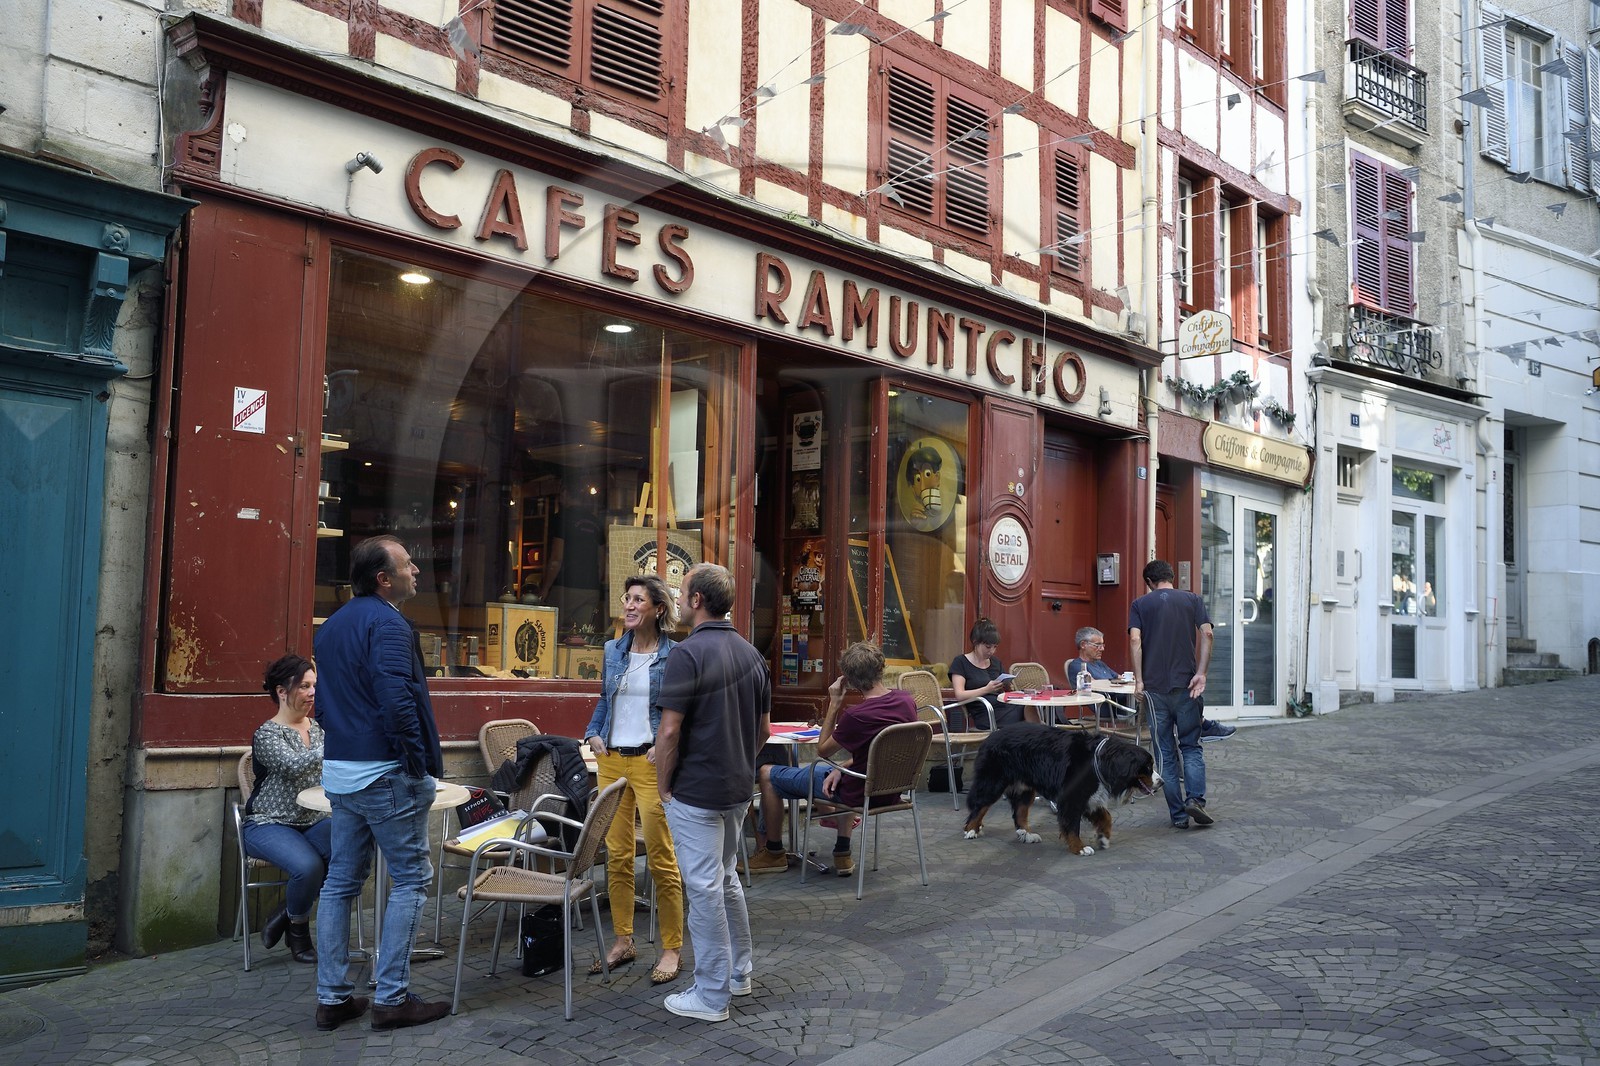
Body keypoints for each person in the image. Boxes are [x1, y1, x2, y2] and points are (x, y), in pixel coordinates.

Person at [311, 535, 448, 1032]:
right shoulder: (388, 622)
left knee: (340, 882)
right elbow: (397, 698)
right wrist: (414, 761)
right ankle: (391, 997)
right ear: (383, 578)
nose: (418, 572)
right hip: (385, 771)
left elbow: (320, 703)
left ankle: (333, 998)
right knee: (411, 880)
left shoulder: (331, 627)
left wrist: (346, 742)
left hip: (343, 771)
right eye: (409, 565)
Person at [655, 564, 771, 1023]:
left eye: (683, 593)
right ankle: (738, 974)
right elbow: (762, 731)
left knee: (705, 887)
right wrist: (737, 759)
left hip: (698, 790)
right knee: (725, 880)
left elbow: (668, 732)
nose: (680, 601)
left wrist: (665, 785)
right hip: (737, 787)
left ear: (698, 599)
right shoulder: (752, 655)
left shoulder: (687, 654)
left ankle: (711, 994)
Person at [582, 574, 685, 985]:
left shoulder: (674, 656)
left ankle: (672, 947)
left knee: (661, 854)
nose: (628, 605)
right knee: (618, 854)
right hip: (610, 760)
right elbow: (604, 702)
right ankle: (624, 940)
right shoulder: (612, 650)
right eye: (627, 598)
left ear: (657, 609)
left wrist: (662, 747)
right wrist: (592, 732)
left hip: (647, 763)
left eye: (638, 599)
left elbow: (681, 712)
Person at [748, 642, 917, 877]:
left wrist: (835, 703)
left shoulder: (857, 716)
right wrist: (844, 767)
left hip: (858, 793)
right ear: (881, 668)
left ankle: (773, 852)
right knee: (839, 772)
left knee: (767, 772)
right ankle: (842, 852)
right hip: (891, 790)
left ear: (849, 680)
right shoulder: (906, 701)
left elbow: (823, 750)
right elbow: (878, 754)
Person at [242, 654, 332, 964]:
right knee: (308, 867)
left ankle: (284, 913)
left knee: (358, 844)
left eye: (315, 686)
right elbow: (295, 767)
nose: (312, 693)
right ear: (282, 691)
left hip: (314, 819)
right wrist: (338, 743)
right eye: (305, 686)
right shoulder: (267, 734)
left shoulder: (319, 729)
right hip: (268, 824)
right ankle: (298, 931)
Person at [1129, 560, 1216, 830]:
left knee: (1164, 751)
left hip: (1155, 689)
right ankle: (1196, 800)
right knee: (1191, 746)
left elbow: (1135, 640)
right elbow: (1208, 634)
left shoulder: (1140, 604)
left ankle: (1178, 815)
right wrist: (1201, 672)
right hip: (1187, 684)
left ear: (1149, 582)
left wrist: (1139, 681)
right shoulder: (1192, 600)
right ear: (1171, 577)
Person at [1067, 627, 1235, 740]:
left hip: (1127, 702)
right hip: (1111, 706)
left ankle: (1196, 728)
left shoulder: (1100, 664)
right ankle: (1200, 728)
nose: (1102, 649)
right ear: (1084, 645)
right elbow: (1094, 686)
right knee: (1167, 703)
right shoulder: (1077, 666)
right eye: (1098, 645)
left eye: (1103, 645)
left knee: (1169, 703)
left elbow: (1118, 677)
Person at [539, 480, 603, 634]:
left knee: (550, 632)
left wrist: (545, 589)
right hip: (591, 589)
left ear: (566, 493)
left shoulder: (561, 518)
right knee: (581, 637)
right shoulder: (596, 522)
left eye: (561, 492)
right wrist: (596, 583)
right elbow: (602, 561)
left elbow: (556, 558)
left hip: (565, 587)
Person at [949, 618, 1025, 729]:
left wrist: (1008, 686)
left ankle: (1040, 738)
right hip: (985, 712)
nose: (991, 651)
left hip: (1003, 706)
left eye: (995, 647)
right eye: (988, 647)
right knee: (1026, 715)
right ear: (975, 642)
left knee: (1029, 705)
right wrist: (986, 689)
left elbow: (1006, 690)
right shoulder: (961, 662)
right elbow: (960, 695)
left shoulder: (995, 662)